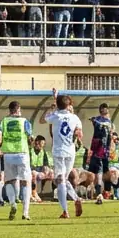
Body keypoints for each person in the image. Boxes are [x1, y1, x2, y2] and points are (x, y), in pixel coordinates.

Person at [43, 90, 85, 219]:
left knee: (60, 180)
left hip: (58, 151)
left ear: (58, 105)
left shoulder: (55, 116)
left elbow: (44, 119)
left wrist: (52, 105)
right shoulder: (75, 117)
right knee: (64, 179)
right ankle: (76, 198)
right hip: (70, 152)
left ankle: (65, 211)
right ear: (69, 105)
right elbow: (80, 133)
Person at [0, 101, 33, 221]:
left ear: (9, 110)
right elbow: (30, 138)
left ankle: (13, 204)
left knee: (9, 181)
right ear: (18, 109)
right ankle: (25, 212)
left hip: (8, 154)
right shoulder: (24, 121)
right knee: (25, 182)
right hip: (22, 153)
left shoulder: (3, 122)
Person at [86, 103, 115, 205]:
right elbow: (97, 123)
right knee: (99, 170)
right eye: (102, 109)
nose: (104, 111)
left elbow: (110, 134)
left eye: (105, 109)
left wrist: (111, 146)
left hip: (104, 148)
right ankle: (99, 193)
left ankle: (105, 191)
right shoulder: (99, 120)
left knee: (104, 171)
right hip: (99, 147)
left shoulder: (108, 122)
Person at [29, 135, 52, 202]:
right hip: (31, 171)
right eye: (42, 143)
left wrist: (47, 170)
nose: (43, 145)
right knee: (33, 174)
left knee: (52, 173)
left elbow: (46, 164)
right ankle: (34, 193)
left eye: (43, 144)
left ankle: (55, 194)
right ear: (37, 142)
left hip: (40, 171)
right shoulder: (30, 151)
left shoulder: (43, 152)